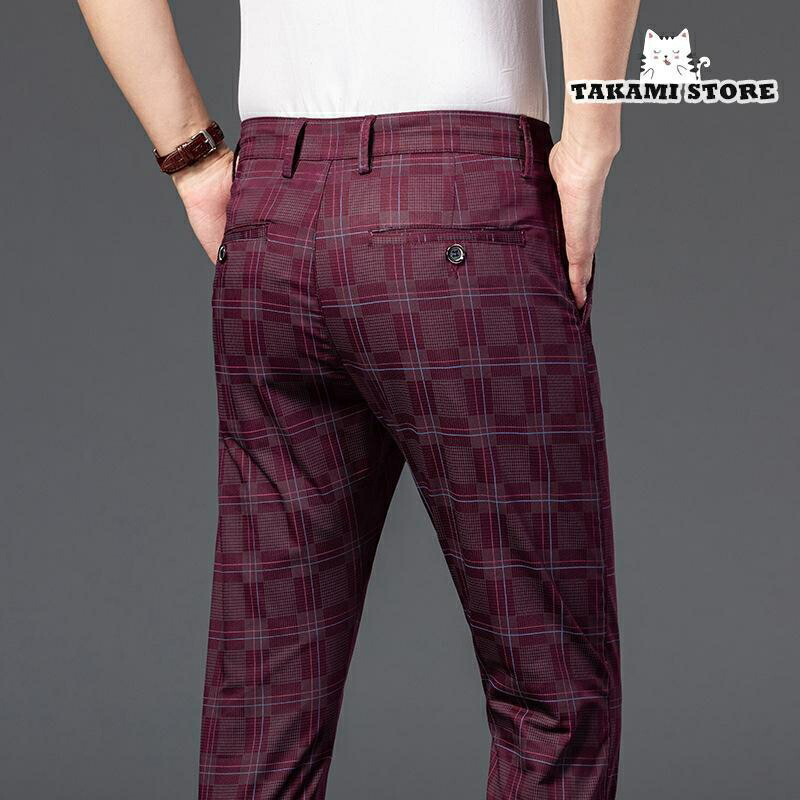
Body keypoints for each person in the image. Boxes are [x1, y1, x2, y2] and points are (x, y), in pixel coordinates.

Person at [77, 1, 640, 797]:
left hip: (274, 208)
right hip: (462, 197)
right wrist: (589, 143)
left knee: (265, 708)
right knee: (552, 693)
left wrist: (193, 157)